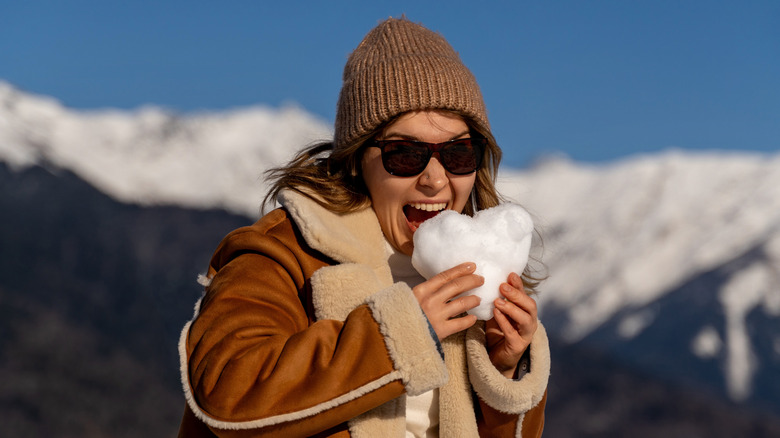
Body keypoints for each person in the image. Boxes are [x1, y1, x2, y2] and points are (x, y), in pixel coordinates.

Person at [177, 17, 549, 438]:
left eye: (459, 153)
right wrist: (398, 336)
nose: (435, 178)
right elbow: (228, 393)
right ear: (356, 160)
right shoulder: (282, 255)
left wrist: (501, 368)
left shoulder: (478, 274)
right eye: (405, 153)